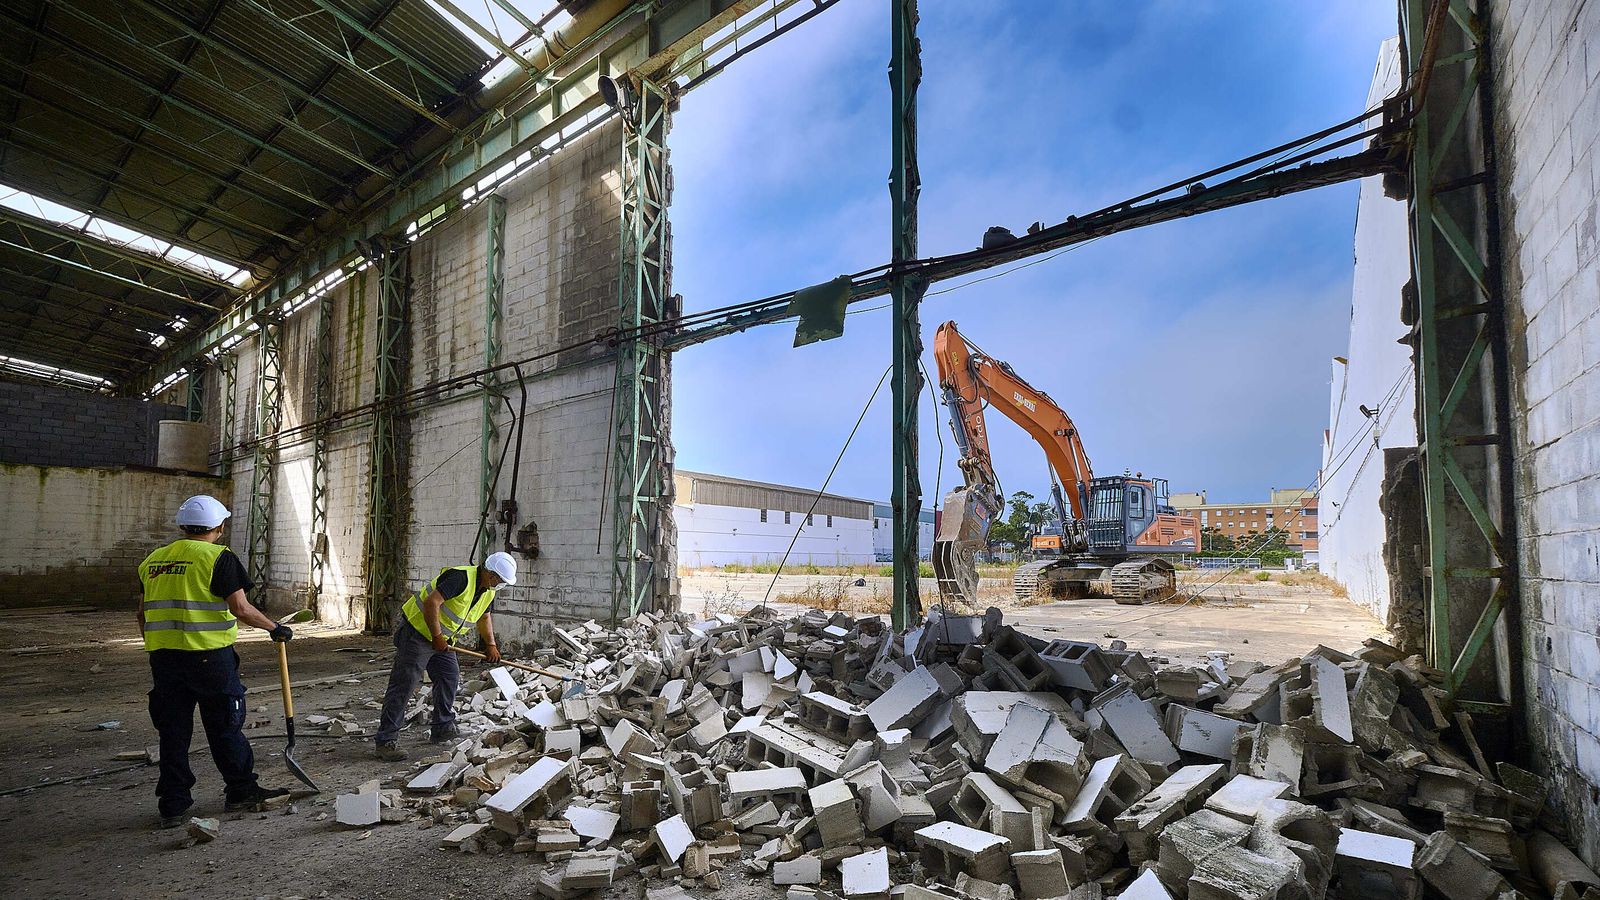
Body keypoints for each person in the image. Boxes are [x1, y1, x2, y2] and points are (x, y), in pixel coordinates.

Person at [137, 495, 294, 828]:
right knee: (225, 727)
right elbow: (240, 607)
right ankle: (241, 790)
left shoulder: (153, 560)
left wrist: (157, 644)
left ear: (182, 525)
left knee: (173, 732)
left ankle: (173, 805)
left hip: (164, 659)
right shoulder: (219, 557)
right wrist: (275, 627)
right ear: (220, 527)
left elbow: (142, 613)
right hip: (209, 659)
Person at [374, 552, 518, 760]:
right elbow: (432, 603)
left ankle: (442, 727)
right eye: (500, 580)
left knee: (449, 677)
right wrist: (437, 636)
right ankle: (386, 740)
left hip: (442, 641)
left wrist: (491, 645)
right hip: (418, 634)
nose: (500, 585)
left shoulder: (487, 591)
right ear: (490, 573)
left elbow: (484, 616)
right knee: (404, 684)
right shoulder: (460, 578)